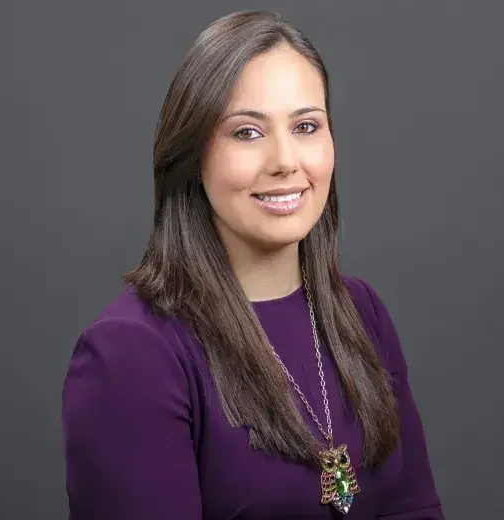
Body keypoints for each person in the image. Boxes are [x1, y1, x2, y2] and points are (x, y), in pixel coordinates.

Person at [62, 10, 444, 519]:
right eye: (247, 133)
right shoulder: (133, 353)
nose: (286, 160)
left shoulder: (362, 314)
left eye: (306, 126)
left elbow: (411, 509)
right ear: (193, 155)